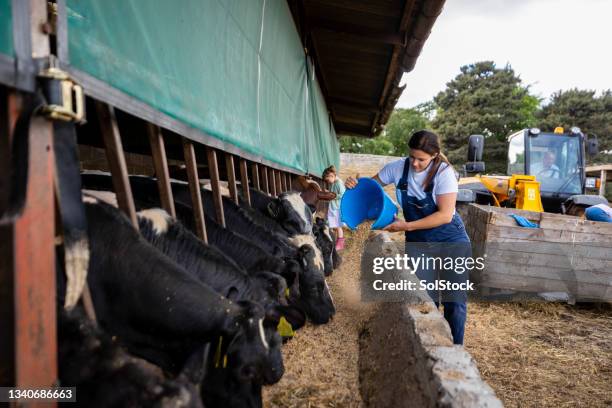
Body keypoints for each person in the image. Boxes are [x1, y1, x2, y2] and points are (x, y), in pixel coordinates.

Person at [345, 130, 470, 345]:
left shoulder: (444, 173)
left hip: (451, 240)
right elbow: (370, 189)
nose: (414, 163)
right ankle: (431, 345)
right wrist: (354, 185)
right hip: (419, 242)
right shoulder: (397, 168)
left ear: (435, 155)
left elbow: (445, 215)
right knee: (426, 299)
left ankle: (455, 348)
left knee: (455, 302)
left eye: (421, 159)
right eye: (412, 156)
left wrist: (406, 226)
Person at [323, 165, 346, 250]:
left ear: (332, 176)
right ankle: (335, 241)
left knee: (338, 226)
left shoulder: (339, 183)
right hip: (333, 207)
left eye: (328, 180)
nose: (328, 182)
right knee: (333, 224)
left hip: (337, 208)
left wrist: (333, 195)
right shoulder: (333, 183)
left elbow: (343, 195)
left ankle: (340, 243)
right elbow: (333, 193)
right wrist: (329, 192)